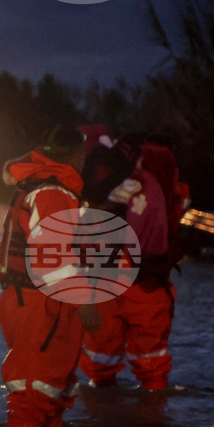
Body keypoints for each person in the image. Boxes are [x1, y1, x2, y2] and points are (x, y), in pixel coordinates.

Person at [0, 127, 101, 427]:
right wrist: (84, 300)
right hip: (41, 304)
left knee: (50, 393)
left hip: (33, 299)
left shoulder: (41, 187)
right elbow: (50, 256)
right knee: (34, 395)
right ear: (76, 156)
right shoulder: (53, 193)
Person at [78, 136, 174, 390]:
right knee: (149, 363)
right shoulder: (149, 183)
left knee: (103, 362)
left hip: (115, 282)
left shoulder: (100, 190)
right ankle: (150, 406)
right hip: (142, 283)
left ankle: (109, 403)